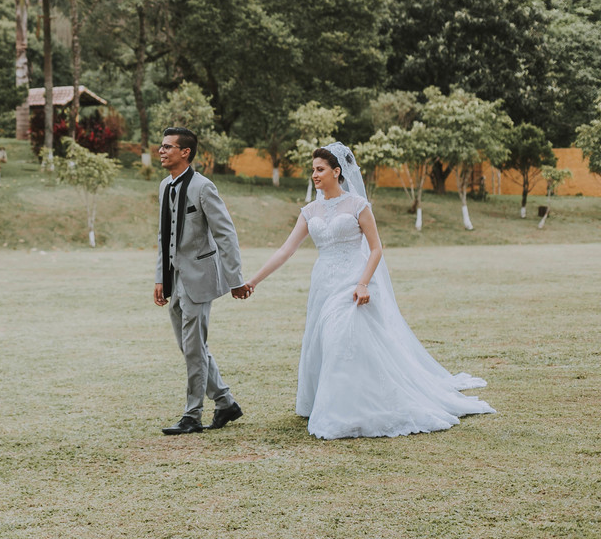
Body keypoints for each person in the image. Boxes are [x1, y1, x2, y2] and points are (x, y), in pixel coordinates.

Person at [243, 143, 495, 439]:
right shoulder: (310, 211)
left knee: (341, 338)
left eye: (320, 169)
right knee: (324, 341)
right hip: (324, 282)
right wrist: (253, 281)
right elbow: (286, 250)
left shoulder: (358, 205)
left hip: (355, 280)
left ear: (337, 172)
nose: (314, 174)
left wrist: (362, 282)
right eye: (312, 169)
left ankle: (345, 412)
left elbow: (376, 249)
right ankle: (335, 400)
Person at [154, 127, 252, 435]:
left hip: (200, 278)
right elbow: (163, 236)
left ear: (185, 152)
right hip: (174, 279)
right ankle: (225, 402)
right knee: (190, 347)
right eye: (161, 146)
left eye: (168, 147)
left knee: (194, 348)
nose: (161, 150)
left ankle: (192, 415)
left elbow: (226, 234)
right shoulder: (163, 187)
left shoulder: (203, 187)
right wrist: (160, 277)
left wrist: (236, 279)